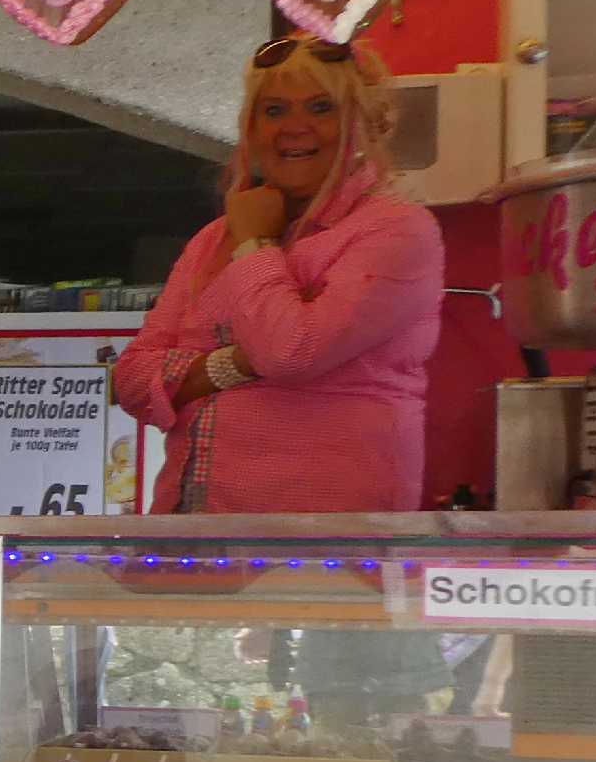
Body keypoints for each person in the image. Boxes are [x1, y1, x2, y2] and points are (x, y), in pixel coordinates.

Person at [112, 34, 443, 511]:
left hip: (324, 537)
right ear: (252, 127)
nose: (294, 127)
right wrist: (238, 363)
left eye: (321, 107)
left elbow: (289, 352)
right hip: (191, 527)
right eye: (274, 110)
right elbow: (130, 381)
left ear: (362, 124)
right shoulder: (212, 239)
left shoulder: (399, 229)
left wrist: (255, 244)